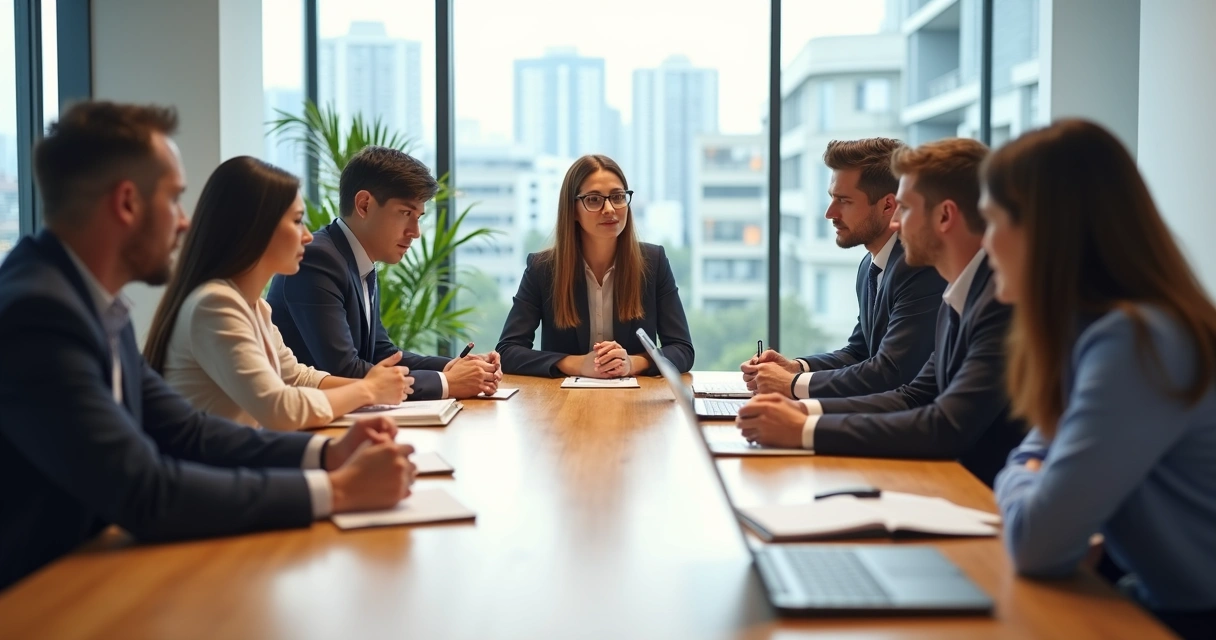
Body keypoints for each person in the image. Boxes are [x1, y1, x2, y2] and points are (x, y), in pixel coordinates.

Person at [0, 101, 417, 591]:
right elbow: (145, 490)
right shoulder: (39, 313)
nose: (184, 221)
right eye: (174, 199)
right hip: (37, 595)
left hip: (92, 572)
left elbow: (188, 432)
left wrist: (328, 455)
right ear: (127, 203)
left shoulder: (89, 301)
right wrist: (337, 491)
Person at [983, 119, 1216, 639]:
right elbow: (1039, 462)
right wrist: (1034, 470)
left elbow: (1038, 542)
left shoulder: (1139, 342)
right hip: (1164, 601)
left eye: (993, 221)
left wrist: (1019, 473)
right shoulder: (1098, 337)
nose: (986, 242)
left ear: (1044, 232)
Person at [735, 138, 1024, 486]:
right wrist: (800, 410)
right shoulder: (959, 293)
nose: (896, 223)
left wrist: (804, 425)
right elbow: (914, 395)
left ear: (945, 215)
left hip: (984, 493)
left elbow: (946, 424)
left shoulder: (998, 301)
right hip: (951, 480)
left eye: (905, 208)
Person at [143, 156, 412, 430]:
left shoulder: (256, 307)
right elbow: (280, 409)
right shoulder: (215, 304)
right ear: (256, 227)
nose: (308, 236)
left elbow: (296, 378)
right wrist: (368, 390)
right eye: (297, 221)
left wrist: (374, 385)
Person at [266, 146, 500, 400]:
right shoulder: (317, 260)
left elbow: (381, 353)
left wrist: (456, 367)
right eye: (406, 213)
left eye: (418, 217)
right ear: (364, 205)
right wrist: (447, 382)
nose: (415, 232)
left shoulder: (357, 260)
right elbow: (344, 371)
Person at [741, 138, 944, 399]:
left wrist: (792, 384)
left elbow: (891, 372)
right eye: (831, 198)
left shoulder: (919, 267)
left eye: (844, 200)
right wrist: (796, 368)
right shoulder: (870, 266)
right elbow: (859, 353)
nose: (830, 213)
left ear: (888, 205)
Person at [496, 154, 694, 377]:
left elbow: (682, 350)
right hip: (563, 397)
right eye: (593, 199)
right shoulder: (543, 269)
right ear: (572, 210)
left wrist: (631, 363)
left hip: (634, 395)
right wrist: (577, 364)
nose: (609, 208)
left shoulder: (653, 262)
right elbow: (508, 351)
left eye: (617, 197)